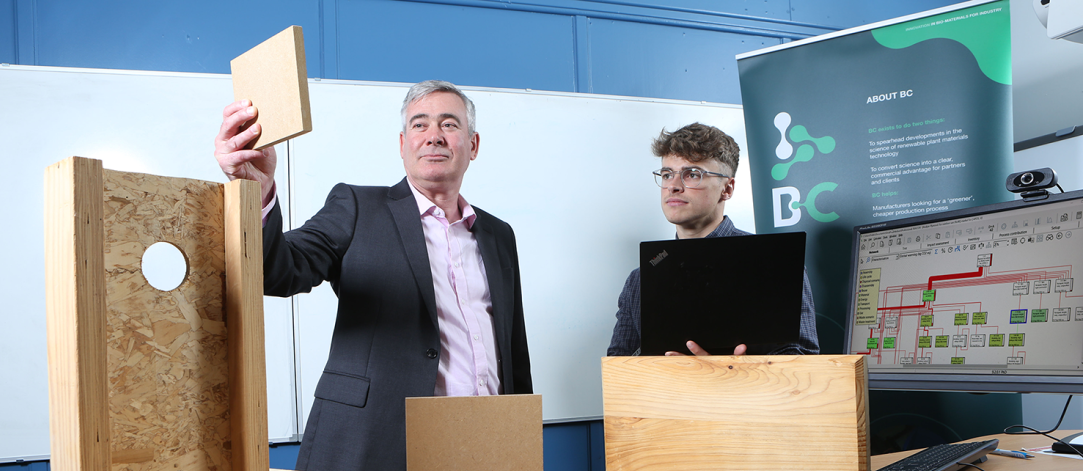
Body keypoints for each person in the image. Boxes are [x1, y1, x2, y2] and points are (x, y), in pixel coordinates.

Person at [214, 80, 533, 470]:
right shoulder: (357, 207)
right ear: (402, 146)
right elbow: (277, 271)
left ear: (473, 145)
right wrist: (256, 189)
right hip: (376, 440)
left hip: (484, 440)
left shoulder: (498, 234)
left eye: (449, 124)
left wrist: (520, 438)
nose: (434, 136)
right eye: (419, 125)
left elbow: (513, 348)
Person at [606, 122, 819, 357]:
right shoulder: (639, 280)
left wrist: (727, 375)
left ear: (727, 189)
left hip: (749, 394)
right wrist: (662, 366)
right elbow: (617, 369)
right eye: (667, 174)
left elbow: (804, 360)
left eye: (692, 174)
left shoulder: (777, 266)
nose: (673, 186)